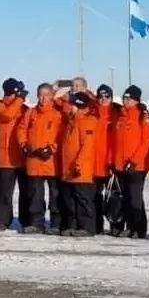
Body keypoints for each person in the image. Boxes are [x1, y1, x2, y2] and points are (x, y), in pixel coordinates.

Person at [18, 83, 64, 235]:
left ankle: (56, 224)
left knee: (55, 196)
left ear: (52, 96)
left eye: (46, 95)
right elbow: (21, 129)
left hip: (52, 162)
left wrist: (51, 149)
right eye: (41, 95)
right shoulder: (30, 113)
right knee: (35, 196)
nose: (43, 98)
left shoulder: (58, 114)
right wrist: (24, 145)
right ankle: (37, 223)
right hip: (34, 161)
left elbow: (62, 135)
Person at [110, 85, 149, 238]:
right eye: (125, 98)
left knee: (135, 197)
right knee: (126, 197)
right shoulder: (121, 117)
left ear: (136, 100)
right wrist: (114, 162)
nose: (126, 101)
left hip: (137, 165)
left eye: (130, 99)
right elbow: (115, 142)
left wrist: (134, 161)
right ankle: (129, 225)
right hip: (121, 165)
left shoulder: (142, 116)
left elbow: (146, 141)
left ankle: (139, 227)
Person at [0, 78, 29, 231]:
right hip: (6, 157)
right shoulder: (0, 106)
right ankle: (2, 220)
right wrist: (19, 99)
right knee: (4, 192)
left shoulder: (24, 108)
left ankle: (27, 220)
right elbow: (9, 114)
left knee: (26, 191)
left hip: (22, 156)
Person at [59, 92, 97, 236]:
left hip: (80, 169)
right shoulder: (72, 121)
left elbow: (86, 147)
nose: (69, 107)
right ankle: (73, 225)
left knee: (83, 199)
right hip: (68, 168)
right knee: (70, 199)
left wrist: (78, 165)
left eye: (72, 104)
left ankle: (87, 227)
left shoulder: (87, 121)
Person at [92, 84, 115, 234]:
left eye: (107, 96)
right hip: (94, 163)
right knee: (95, 197)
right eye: (100, 96)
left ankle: (116, 226)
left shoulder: (117, 113)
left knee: (115, 197)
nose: (103, 99)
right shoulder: (91, 113)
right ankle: (96, 225)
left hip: (111, 162)